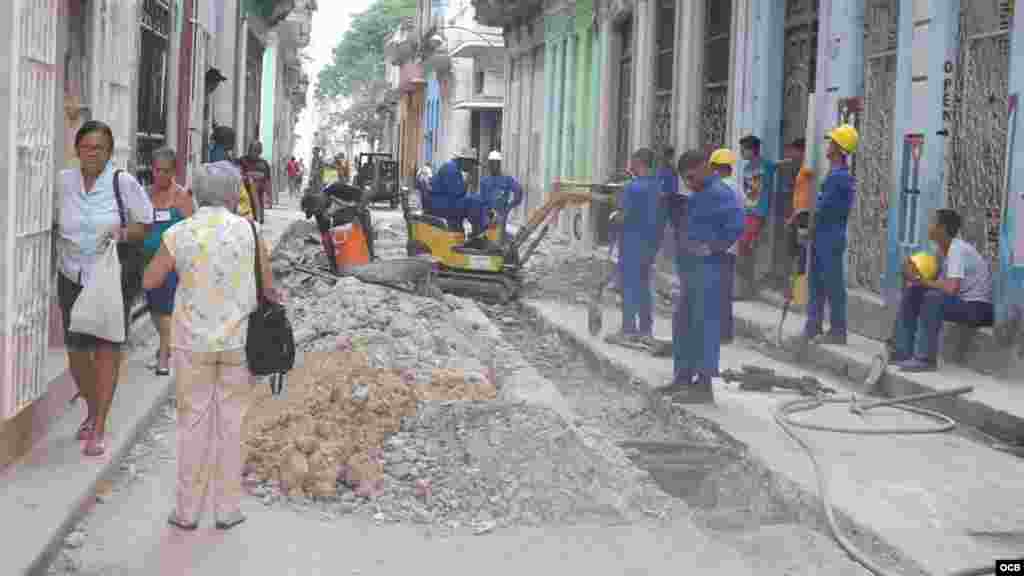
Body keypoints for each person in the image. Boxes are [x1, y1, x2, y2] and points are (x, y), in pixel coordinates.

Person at [143, 162, 280, 531]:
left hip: (192, 341)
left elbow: (151, 280)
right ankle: (227, 510)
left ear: (196, 193)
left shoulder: (180, 233)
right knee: (231, 423)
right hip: (238, 343)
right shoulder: (250, 231)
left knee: (192, 423)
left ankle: (187, 512)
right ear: (235, 193)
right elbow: (268, 288)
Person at [56, 120, 154, 456]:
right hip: (72, 274)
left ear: (109, 152)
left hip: (110, 275)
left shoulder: (122, 182)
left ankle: (98, 425)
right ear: (77, 150)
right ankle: (93, 407)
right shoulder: (65, 181)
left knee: (107, 347)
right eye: (86, 147)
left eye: (99, 148)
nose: (92, 153)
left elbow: (144, 223)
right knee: (76, 351)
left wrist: (123, 234)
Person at [664, 150, 745, 404]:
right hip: (691, 271)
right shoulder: (699, 195)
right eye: (685, 180)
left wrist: (713, 247)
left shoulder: (721, 193)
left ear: (702, 168)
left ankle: (704, 386)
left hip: (710, 270)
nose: (688, 183)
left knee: (704, 326)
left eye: (690, 177)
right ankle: (683, 378)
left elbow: (736, 226)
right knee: (683, 323)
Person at [892, 209, 994, 372]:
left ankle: (925, 359)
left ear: (942, 229)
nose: (929, 226)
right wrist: (911, 273)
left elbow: (951, 288)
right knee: (914, 292)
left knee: (933, 299)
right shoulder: (942, 250)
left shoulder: (957, 249)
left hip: (977, 308)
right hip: (961, 303)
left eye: (933, 222)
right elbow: (928, 279)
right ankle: (902, 351)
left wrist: (921, 280)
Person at [803, 124, 859, 345]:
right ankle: (813, 326)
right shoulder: (835, 174)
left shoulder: (839, 177)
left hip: (830, 236)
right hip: (822, 235)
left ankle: (837, 331)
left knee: (832, 285)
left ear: (839, 148)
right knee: (816, 283)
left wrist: (809, 228)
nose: (828, 146)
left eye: (832, 142)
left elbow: (823, 208)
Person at [144, 147, 194, 376]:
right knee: (155, 312)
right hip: (148, 264)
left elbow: (192, 230)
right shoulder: (145, 195)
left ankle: (164, 358)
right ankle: (164, 348)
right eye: (157, 171)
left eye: (166, 171)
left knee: (166, 315)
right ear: (151, 170)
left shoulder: (181, 197)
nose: (161, 176)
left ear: (174, 171)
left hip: (172, 265)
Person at [607, 148, 662, 348]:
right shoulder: (657, 186)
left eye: (633, 162)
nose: (630, 166)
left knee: (629, 286)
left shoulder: (632, 188)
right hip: (650, 244)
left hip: (631, 243)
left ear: (639, 163)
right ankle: (645, 330)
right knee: (644, 286)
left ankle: (628, 330)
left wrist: (614, 216)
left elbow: (624, 216)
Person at [429, 148, 497, 251]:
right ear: (464, 161)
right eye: (471, 164)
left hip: (445, 202)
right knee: (474, 201)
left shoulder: (453, 168)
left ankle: (480, 230)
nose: (472, 167)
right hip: (442, 205)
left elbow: (458, 194)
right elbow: (457, 193)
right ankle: (479, 232)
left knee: (476, 200)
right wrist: (467, 182)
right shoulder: (451, 169)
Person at [737, 134, 778, 298]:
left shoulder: (765, 165)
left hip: (758, 214)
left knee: (744, 247)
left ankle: (745, 287)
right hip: (748, 212)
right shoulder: (747, 168)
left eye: (743, 150)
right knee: (744, 248)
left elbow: (778, 165)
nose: (741, 153)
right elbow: (747, 193)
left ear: (752, 150)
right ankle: (745, 285)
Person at [709, 148, 742, 343]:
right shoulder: (736, 187)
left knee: (715, 290)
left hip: (718, 245)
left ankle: (719, 332)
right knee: (724, 290)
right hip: (730, 246)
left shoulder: (720, 189)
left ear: (716, 168)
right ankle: (725, 332)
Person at [479, 150, 524, 243]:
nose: (493, 166)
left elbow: (518, 190)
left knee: (498, 236)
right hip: (487, 213)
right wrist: (486, 212)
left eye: (496, 163)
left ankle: (499, 248)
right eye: (492, 163)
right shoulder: (484, 181)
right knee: (487, 236)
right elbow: (482, 200)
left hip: (501, 212)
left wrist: (510, 206)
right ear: (489, 164)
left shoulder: (507, 179)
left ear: (499, 164)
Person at [239, 141, 271, 221]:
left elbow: (267, 181)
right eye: (251, 150)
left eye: (256, 151)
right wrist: (248, 176)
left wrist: (269, 197)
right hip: (243, 192)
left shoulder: (264, 164)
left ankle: (258, 217)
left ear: (259, 152)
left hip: (258, 195)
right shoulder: (242, 161)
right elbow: (237, 175)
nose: (252, 153)